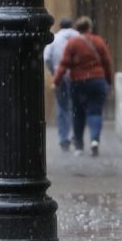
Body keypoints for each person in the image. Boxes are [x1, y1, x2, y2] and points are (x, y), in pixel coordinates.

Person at [53, 17, 113, 157]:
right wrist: (109, 81)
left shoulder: (72, 43)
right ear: (89, 28)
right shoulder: (98, 41)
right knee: (95, 112)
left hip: (78, 82)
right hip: (97, 81)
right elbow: (107, 62)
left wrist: (56, 81)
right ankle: (94, 140)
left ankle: (79, 146)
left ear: (77, 29)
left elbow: (64, 64)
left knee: (78, 113)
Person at [43, 17, 79, 152]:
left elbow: (46, 58)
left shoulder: (54, 39)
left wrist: (53, 72)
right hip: (77, 77)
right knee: (76, 108)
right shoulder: (79, 37)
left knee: (62, 108)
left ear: (60, 26)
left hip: (61, 77)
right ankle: (76, 136)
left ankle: (64, 139)